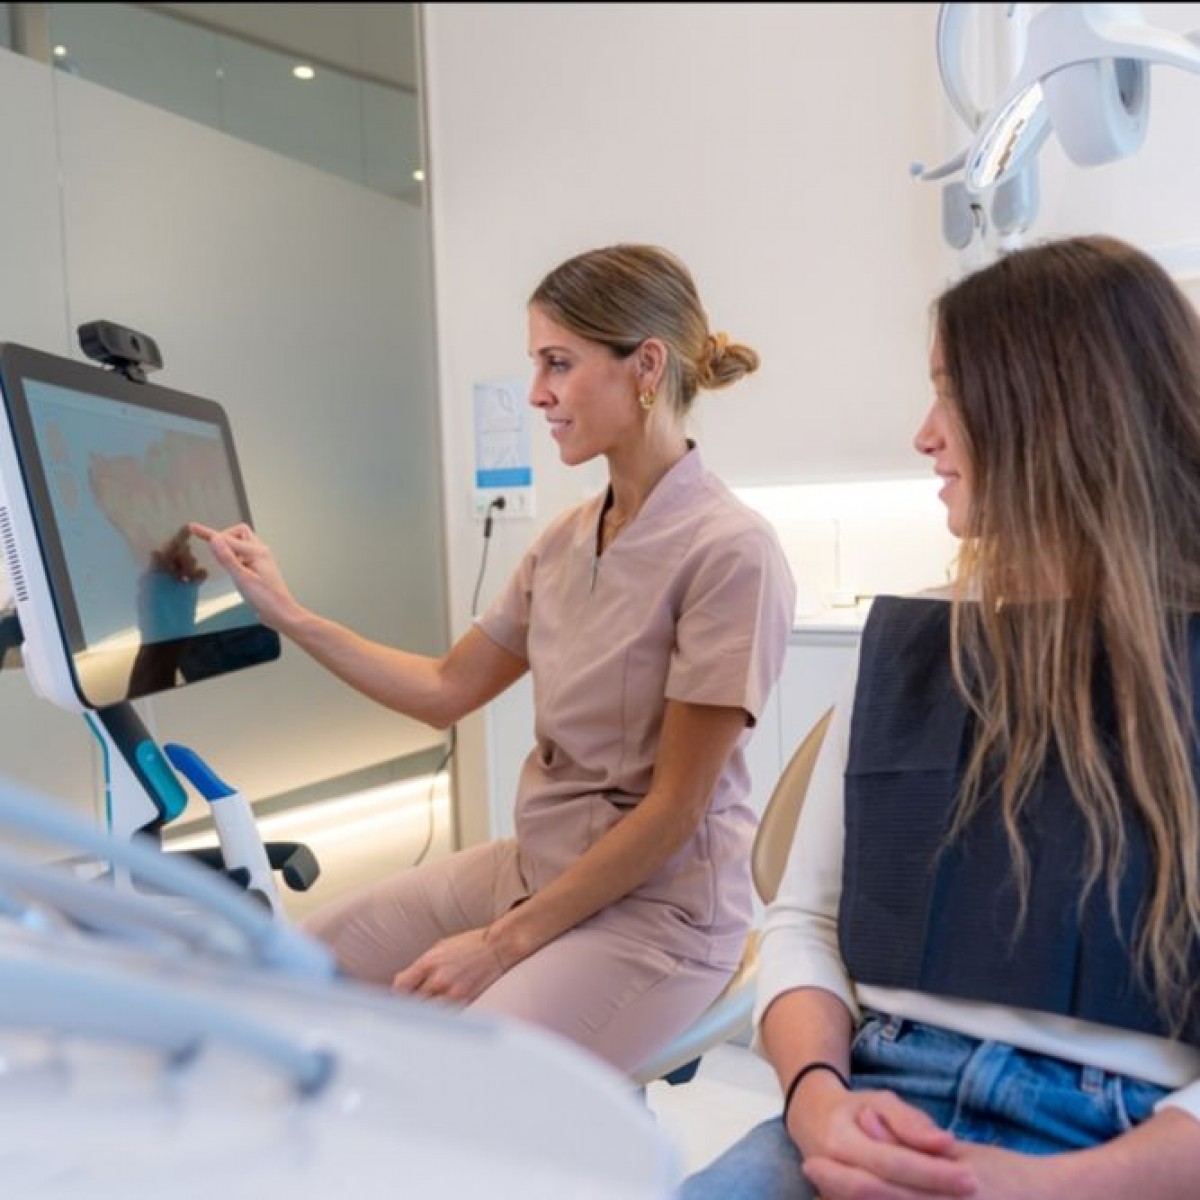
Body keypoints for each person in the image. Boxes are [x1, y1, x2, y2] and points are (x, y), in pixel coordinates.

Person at [190, 243, 797, 1075]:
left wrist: (500, 946)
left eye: (558, 363)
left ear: (646, 366)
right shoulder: (565, 540)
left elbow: (674, 811)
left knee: (463, 1075)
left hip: (660, 911)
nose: (537, 392)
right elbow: (445, 688)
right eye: (537, 364)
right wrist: (289, 614)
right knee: (290, 970)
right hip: (535, 867)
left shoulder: (730, 552)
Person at [682, 234, 1200, 1199]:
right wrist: (816, 1100)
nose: (925, 435)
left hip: (1125, 1137)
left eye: (952, 395)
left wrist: (1050, 1187)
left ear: (1056, 410)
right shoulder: (913, 651)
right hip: (873, 1093)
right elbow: (804, 921)